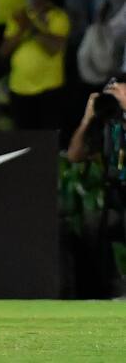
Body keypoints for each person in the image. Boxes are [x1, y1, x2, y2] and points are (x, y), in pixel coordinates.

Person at [68, 75, 126, 296]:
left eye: (119, 93)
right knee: (91, 225)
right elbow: (74, 155)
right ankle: (112, 288)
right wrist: (87, 119)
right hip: (116, 199)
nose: (115, 99)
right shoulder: (107, 125)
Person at [0, 0, 70, 130]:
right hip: (19, 88)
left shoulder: (58, 17)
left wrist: (30, 28)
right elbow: (3, 51)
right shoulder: (18, 16)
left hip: (49, 89)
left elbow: (54, 48)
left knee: (46, 140)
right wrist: (21, 30)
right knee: (23, 142)